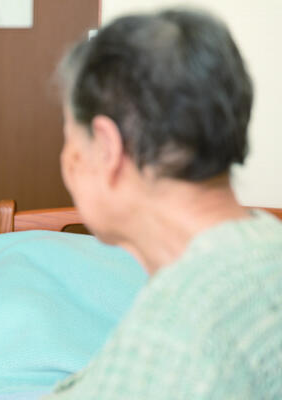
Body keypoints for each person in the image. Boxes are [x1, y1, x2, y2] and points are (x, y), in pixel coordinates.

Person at [46, 9, 282, 399]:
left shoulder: (179, 330)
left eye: (70, 138)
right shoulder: (267, 250)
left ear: (107, 147)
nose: (67, 161)